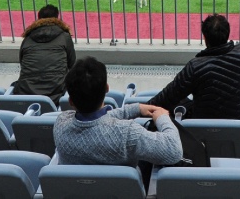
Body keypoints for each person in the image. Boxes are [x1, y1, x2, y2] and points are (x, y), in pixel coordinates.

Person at [53, 57, 182, 168]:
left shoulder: (60, 124)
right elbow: (174, 151)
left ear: (71, 101)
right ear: (107, 88)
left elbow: (96, 124)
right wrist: (162, 118)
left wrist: (135, 109)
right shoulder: (127, 133)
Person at [147, 14, 240, 120]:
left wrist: (140, 109)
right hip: (238, 124)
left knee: (176, 102)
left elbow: (166, 97)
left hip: (199, 127)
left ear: (204, 38)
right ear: (228, 34)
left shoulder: (195, 67)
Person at [11, 4, 77, 105]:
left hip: (26, 93)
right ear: (57, 18)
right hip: (56, 95)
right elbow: (72, 64)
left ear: (39, 19)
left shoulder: (27, 38)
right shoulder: (64, 36)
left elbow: (22, 62)